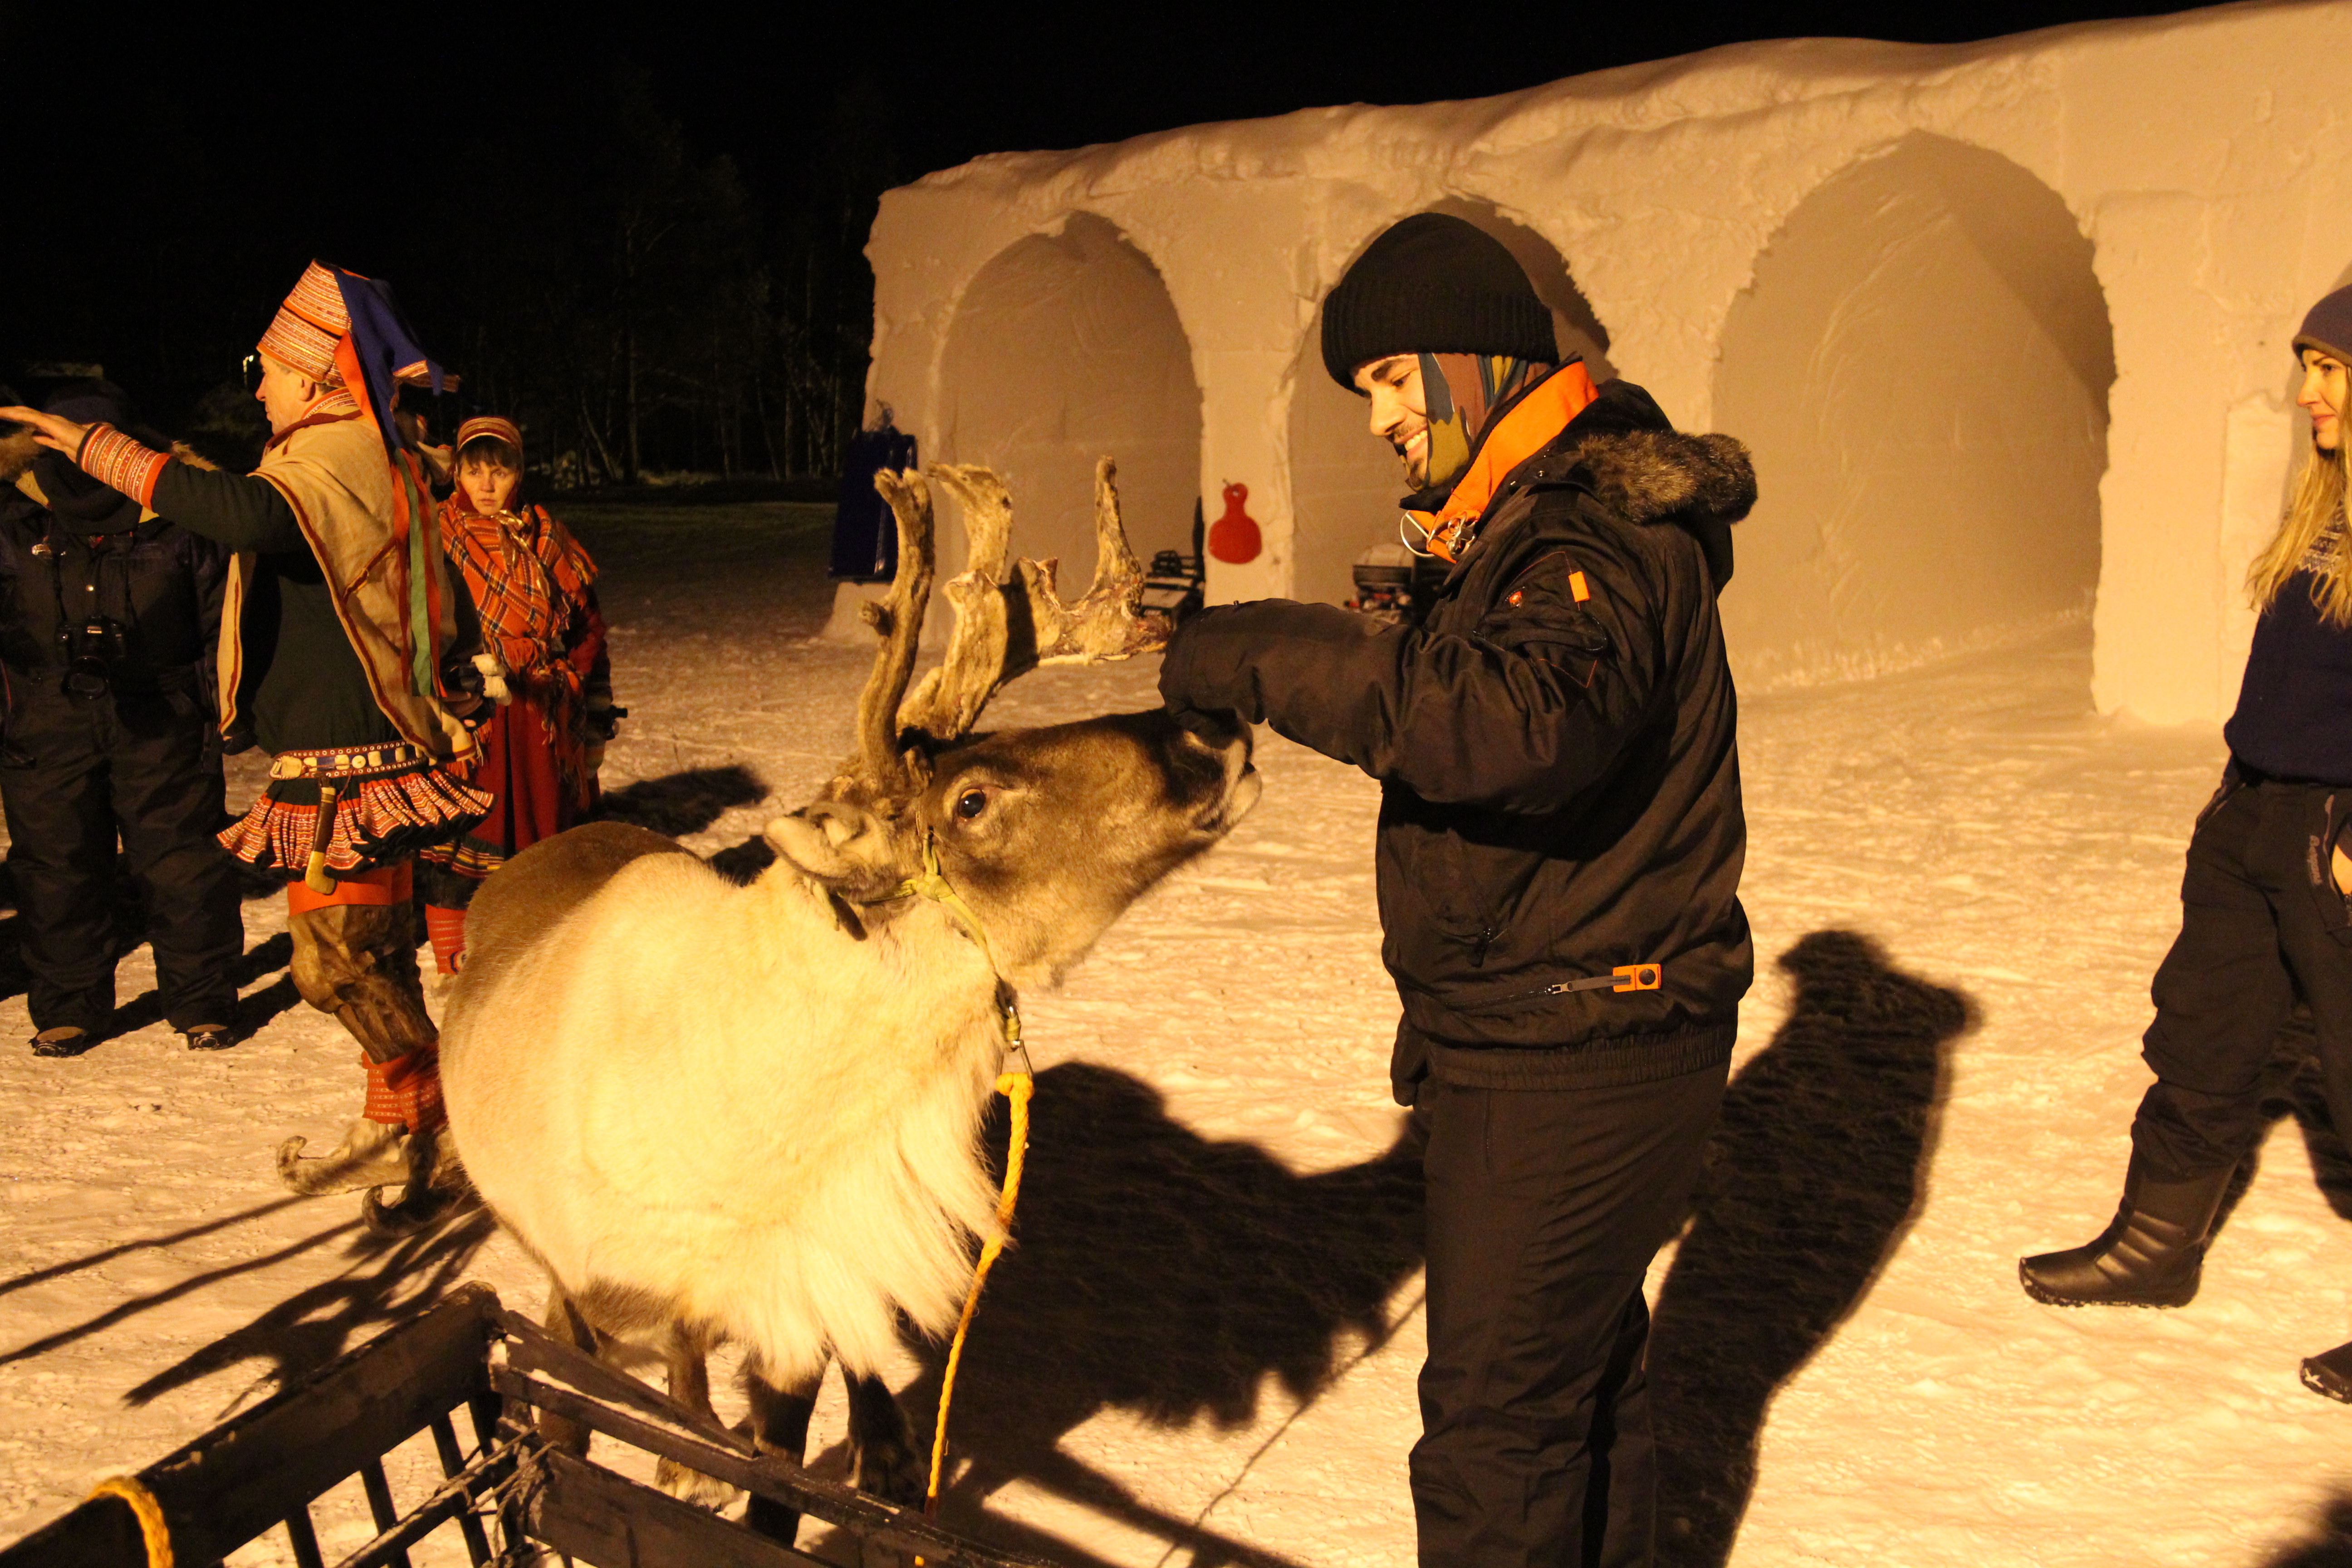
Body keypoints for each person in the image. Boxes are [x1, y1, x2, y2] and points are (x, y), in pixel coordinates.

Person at [1156, 212, 1756, 1567]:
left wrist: (1255, 647)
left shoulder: (1583, 528)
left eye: (1383, 381)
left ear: (1469, 364)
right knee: (1578, 1397)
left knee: (1501, 1438)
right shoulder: (1535, 519)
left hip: (1578, 1053)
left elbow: (1511, 726)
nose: (1375, 421)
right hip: (1565, 1029)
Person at [1, 261, 494, 1214]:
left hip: (357, 759)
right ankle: (395, 1123)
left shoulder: (340, 446)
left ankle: (441, 1113)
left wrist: (101, 449)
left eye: (263, 367)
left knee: (332, 963)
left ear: (314, 375)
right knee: (374, 956)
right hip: (345, 751)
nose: (255, 383)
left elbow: (245, 514)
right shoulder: (342, 446)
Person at [2020, 283, 2352, 1403]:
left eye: (2333, 369)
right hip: (2251, 815)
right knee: (2202, 1031)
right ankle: (2150, 1248)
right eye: (2308, 363)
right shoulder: (2326, 508)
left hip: (2335, 838)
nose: (2309, 390)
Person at [0, 382, 239, 1055]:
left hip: (163, 711)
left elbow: (222, 618)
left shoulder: (177, 510)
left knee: (184, 862)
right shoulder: (14, 514)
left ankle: (201, 999)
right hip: (43, 712)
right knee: (55, 864)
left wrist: (222, 706)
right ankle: (67, 1004)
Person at [414, 416, 614, 971]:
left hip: (541, 717)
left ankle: (539, 948)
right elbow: (416, 623)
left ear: (518, 474)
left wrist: (581, 695)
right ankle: (454, 955)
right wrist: (451, 679)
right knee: (464, 832)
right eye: (473, 471)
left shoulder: (547, 536)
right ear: (456, 473)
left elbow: (587, 626)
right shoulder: (437, 536)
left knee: (540, 841)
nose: (485, 485)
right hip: (470, 717)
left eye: (498, 472)